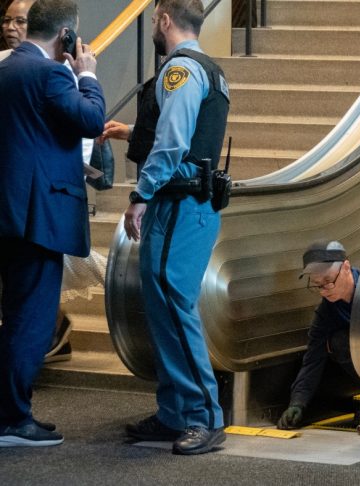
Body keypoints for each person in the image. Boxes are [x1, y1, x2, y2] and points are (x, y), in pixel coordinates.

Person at [121, 0, 230, 456]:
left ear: (165, 19)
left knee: (173, 305)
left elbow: (173, 143)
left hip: (179, 205)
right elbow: (185, 132)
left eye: (153, 18)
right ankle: (174, 412)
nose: (152, 25)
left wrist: (140, 194)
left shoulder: (179, 71)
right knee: (164, 310)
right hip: (189, 203)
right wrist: (130, 134)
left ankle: (204, 417)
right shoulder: (209, 70)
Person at [0, 0, 104, 447]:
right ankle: (11, 419)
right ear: (66, 35)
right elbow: (91, 120)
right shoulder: (50, 73)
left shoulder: (6, 67)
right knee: (31, 319)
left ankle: (10, 412)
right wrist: (88, 75)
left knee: (15, 314)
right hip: (37, 217)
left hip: (10, 213)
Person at [277, 241, 360, 431]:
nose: (324, 290)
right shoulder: (327, 312)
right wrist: (298, 403)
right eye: (318, 285)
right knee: (338, 342)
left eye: (328, 281)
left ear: (346, 267)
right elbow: (312, 360)